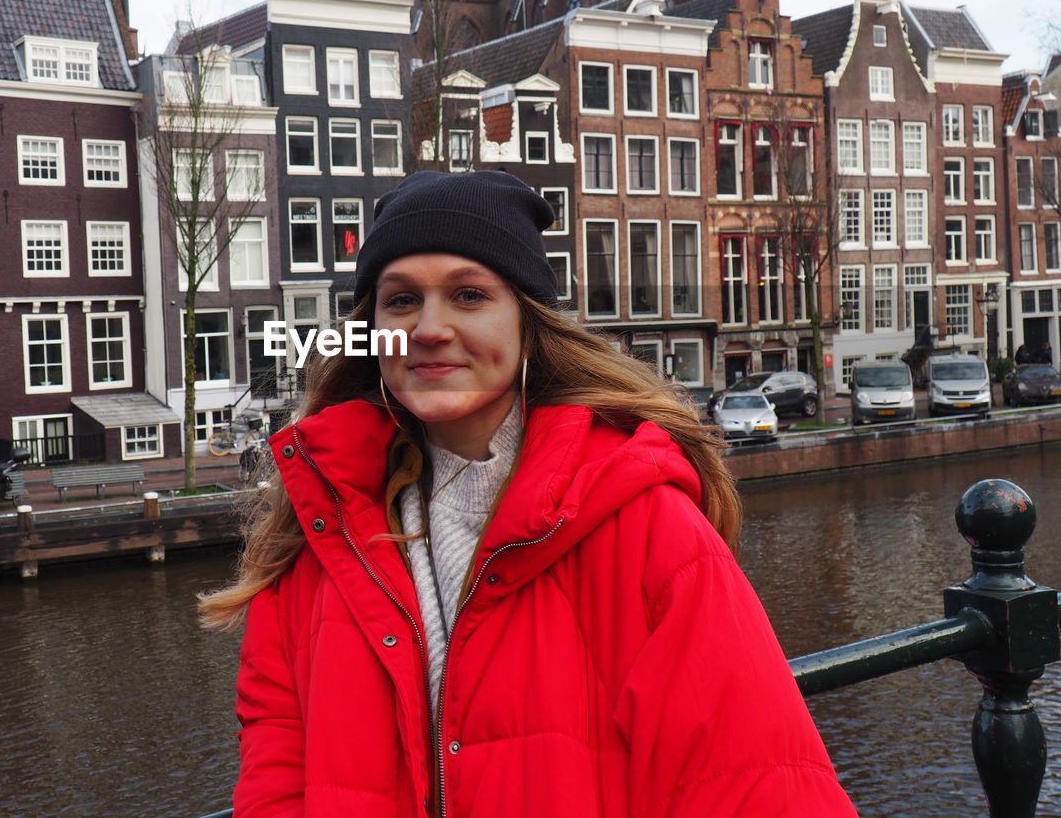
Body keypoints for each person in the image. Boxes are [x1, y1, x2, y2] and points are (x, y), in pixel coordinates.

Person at [201, 171, 857, 817]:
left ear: (527, 321)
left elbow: (753, 782)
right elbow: (277, 776)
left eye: (468, 295)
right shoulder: (315, 541)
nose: (428, 327)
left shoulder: (647, 526)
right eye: (400, 300)